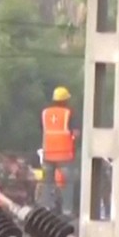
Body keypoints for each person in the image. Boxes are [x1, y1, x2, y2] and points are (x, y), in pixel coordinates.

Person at [40, 86, 80, 216]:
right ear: (65, 100)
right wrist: (73, 140)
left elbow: (44, 130)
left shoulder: (45, 113)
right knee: (67, 184)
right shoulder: (69, 113)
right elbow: (76, 133)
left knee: (47, 183)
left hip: (48, 154)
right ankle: (67, 211)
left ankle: (46, 208)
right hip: (64, 154)